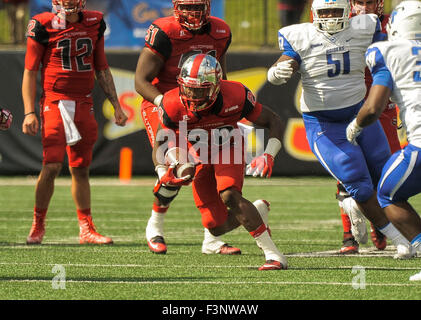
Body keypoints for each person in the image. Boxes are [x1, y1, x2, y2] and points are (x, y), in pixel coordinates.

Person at [267, 0, 414, 259]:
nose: (331, 18)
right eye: (325, 13)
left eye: (336, 12)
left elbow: (387, 50)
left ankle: (400, 230)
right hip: (324, 123)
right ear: (314, 14)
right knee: (359, 183)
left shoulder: (366, 26)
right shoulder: (299, 35)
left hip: (360, 113)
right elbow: (287, 59)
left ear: (348, 13)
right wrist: (277, 71)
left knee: (386, 176)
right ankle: (399, 238)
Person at [153, 53, 287, 270]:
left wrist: (269, 154)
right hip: (197, 156)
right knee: (215, 226)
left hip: (228, 148)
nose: (192, 95)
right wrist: (163, 171)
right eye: (188, 88)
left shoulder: (235, 94)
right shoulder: (171, 102)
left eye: (200, 90)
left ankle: (273, 254)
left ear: (216, 86)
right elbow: (160, 142)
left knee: (229, 194)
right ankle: (258, 211)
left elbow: (274, 121)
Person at [135, 0, 248, 255]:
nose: (192, 12)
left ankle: (211, 238)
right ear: (176, 7)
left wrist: (227, 109)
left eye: (197, 6)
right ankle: (155, 226)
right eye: (187, 6)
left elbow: (220, 76)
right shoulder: (164, 32)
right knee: (177, 169)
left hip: (202, 103)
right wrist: (165, 103)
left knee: (212, 165)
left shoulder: (220, 31)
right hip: (164, 101)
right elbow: (140, 81)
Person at [22, 0, 128, 245]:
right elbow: (29, 70)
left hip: (83, 102)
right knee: (51, 166)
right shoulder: (42, 24)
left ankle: (86, 228)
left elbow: (101, 67)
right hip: (55, 102)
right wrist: (29, 112)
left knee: (80, 168)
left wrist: (117, 105)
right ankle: (38, 224)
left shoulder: (94, 21)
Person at [346, 0, 421, 270]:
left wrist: (356, 125)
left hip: (419, 145)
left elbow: (374, 108)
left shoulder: (387, 51)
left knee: (386, 195)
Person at [337, 0, 402, 254]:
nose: (364, 7)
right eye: (359, 2)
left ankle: (380, 222)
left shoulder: (393, 23)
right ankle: (348, 233)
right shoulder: (340, 21)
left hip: (382, 105)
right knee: (346, 167)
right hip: (350, 102)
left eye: (369, 1)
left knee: (387, 172)